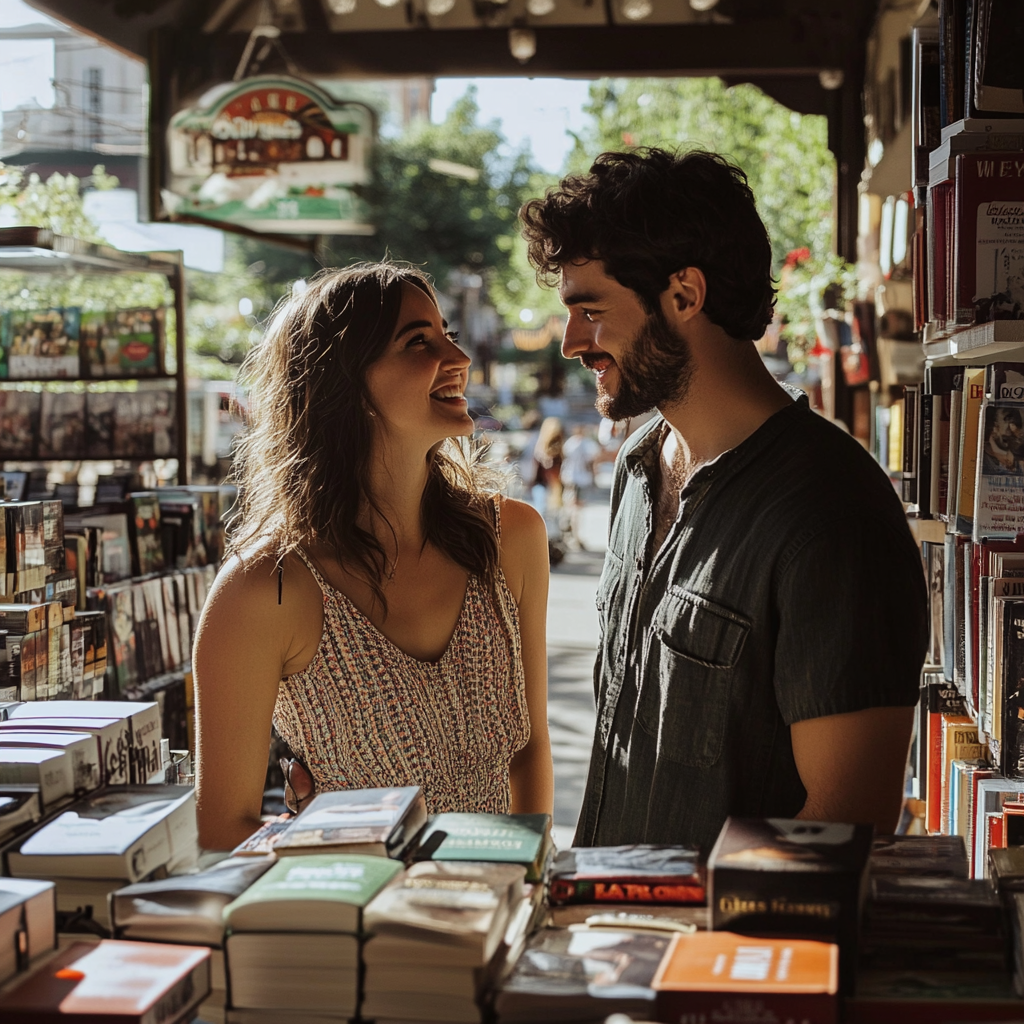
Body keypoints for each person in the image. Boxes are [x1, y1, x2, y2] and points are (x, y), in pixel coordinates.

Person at [520, 148, 928, 853]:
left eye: (590, 309)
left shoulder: (830, 512)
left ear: (684, 295)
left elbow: (846, 821)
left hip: (719, 954)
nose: (570, 343)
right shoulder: (639, 468)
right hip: (607, 934)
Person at [193, 264, 553, 851]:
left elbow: (531, 746)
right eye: (419, 341)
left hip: (499, 912)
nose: (457, 356)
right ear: (344, 384)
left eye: (447, 333)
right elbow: (221, 827)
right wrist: (326, 835)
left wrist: (523, 872)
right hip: (358, 927)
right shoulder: (266, 588)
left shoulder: (511, 536)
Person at [560, 424, 600, 549]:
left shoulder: (570, 443)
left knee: (570, 505)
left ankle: (569, 529)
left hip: (569, 478)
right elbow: (591, 462)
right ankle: (575, 535)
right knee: (577, 508)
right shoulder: (587, 444)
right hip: (581, 478)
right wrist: (594, 478)